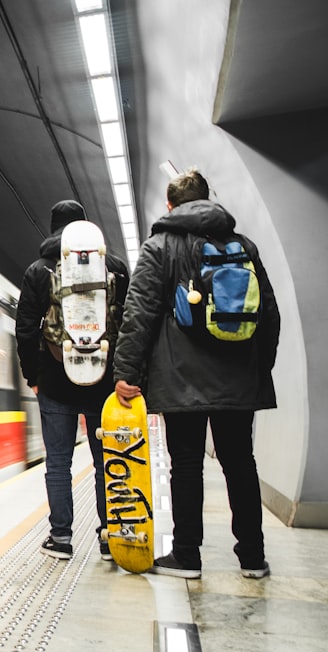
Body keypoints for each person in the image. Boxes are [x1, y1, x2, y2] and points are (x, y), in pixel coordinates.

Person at [113, 168, 280, 579]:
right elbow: (269, 314)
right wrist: (261, 367)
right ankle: (252, 557)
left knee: (186, 463)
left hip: (180, 376)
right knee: (240, 461)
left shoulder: (160, 246)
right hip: (238, 377)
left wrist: (126, 370)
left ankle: (187, 554)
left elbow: (140, 314)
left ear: (169, 205)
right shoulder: (243, 245)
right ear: (209, 198)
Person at [16, 200, 129, 561]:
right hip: (104, 381)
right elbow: (128, 326)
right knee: (104, 461)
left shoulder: (38, 270)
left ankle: (61, 538)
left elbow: (24, 330)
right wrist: (123, 374)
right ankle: (110, 535)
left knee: (59, 462)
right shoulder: (114, 268)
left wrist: (33, 376)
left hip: (54, 380)